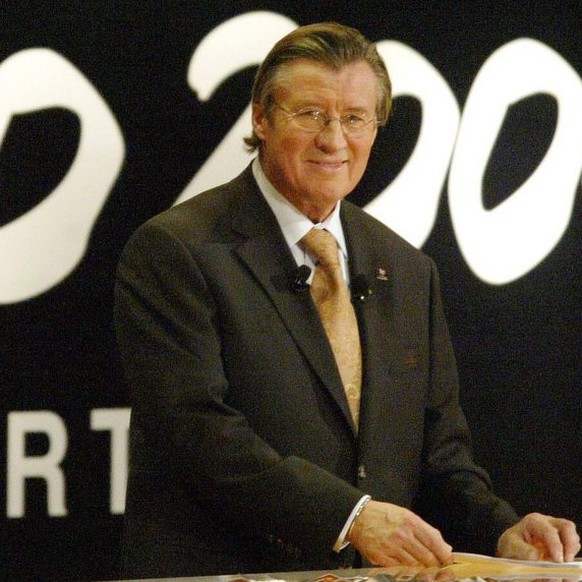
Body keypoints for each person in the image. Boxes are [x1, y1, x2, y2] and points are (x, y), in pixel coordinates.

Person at [114, 22, 579, 579]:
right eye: (310, 114)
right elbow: (198, 433)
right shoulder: (177, 250)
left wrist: (501, 530)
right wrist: (350, 517)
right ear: (260, 118)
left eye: (355, 118)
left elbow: (440, 459)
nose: (334, 139)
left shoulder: (408, 270)